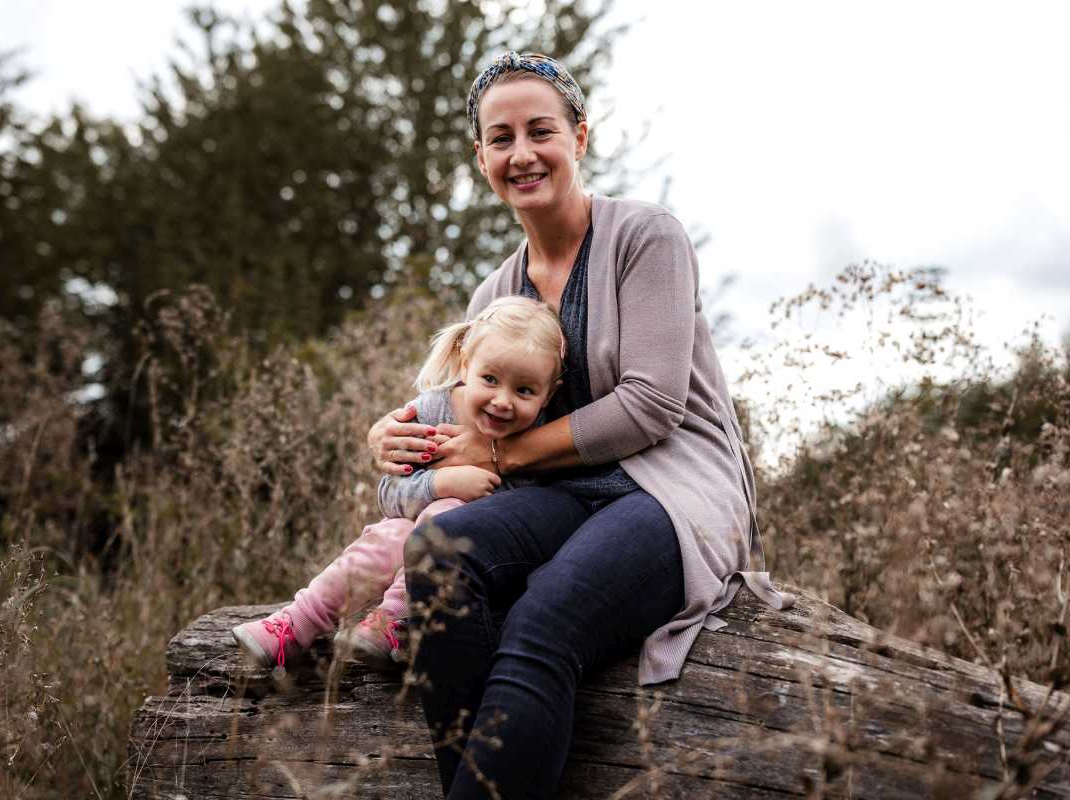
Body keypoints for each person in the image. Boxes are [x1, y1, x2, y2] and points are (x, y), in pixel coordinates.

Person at [367, 52, 794, 798]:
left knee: (544, 619)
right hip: (564, 490)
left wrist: (500, 448)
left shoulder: (646, 237)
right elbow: (460, 410)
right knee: (439, 551)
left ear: (580, 138)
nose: (522, 154)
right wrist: (391, 436)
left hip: (671, 488)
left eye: (541, 131)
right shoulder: (493, 290)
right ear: (481, 158)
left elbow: (651, 405)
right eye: (501, 139)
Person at [232, 295, 567, 675]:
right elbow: (388, 495)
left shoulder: (543, 439)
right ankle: (295, 625)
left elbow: (535, 513)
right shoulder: (428, 412)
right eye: (489, 379)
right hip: (409, 538)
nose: (502, 401)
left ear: (549, 393)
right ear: (465, 364)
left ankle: (394, 623)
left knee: (444, 518)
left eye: (524, 391)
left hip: (479, 571)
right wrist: (440, 482)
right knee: (387, 536)